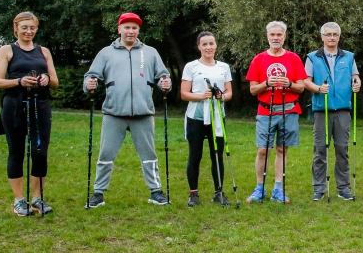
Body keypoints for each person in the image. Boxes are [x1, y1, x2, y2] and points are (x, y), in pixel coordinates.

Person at [83, 12, 171, 207]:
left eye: (134, 28)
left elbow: (163, 77)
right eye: (127, 27)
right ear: (119, 29)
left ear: (138, 30)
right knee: (106, 154)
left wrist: (165, 84)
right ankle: (98, 192)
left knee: (149, 155)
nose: (131, 31)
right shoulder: (106, 53)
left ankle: (155, 191)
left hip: (144, 113)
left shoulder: (150, 52)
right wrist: (89, 84)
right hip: (114, 113)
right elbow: (91, 76)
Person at [0, 11, 59, 216]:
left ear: (36, 29)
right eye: (24, 27)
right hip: (14, 105)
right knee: (17, 152)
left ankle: (38, 198)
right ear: (16, 28)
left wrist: (46, 79)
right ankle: (19, 200)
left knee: (40, 152)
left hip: (40, 105)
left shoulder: (44, 51)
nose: (28, 31)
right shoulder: (7, 50)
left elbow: (55, 82)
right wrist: (19, 81)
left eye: (32, 28)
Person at [246, 21, 306, 204]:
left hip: (289, 110)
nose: (276, 38)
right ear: (267, 37)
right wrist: (267, 83)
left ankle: (278, 189)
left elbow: (301, 88)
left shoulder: (294, 58)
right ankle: (259, 188)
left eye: (279, 35)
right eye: (272, 35)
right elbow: (253, 90)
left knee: (282, 149)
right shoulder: (259, 59)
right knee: (263, 150)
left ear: (284, 36)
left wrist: (288, 83)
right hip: (266, 111)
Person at [302, 22, 361, 201]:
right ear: (322, 37)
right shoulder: (313, 57)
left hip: (343, 109)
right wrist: (319, 89)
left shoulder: (349, 57)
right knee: (320, 150)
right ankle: (319, 188)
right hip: (322, 110)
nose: (332, 38)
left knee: (342, 149)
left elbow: (355, 76)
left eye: (335, 34)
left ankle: (343, 188)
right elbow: (306, 80)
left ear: (339, 37)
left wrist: (357, 82)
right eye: (328, 34)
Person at [180, 31, 233, 207]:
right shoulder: (191, 66)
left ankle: (219, 192)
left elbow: (229, 92)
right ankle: (193, 193)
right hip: (196, 116)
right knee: (195, 154)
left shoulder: (223, 67)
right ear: (199, 47)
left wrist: (221, 96)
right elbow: (184, 93)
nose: (208, 47)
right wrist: (202, 95)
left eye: (211, 44)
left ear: (216, 45)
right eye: (205, 44)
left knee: (217, 155)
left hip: (217, 116)